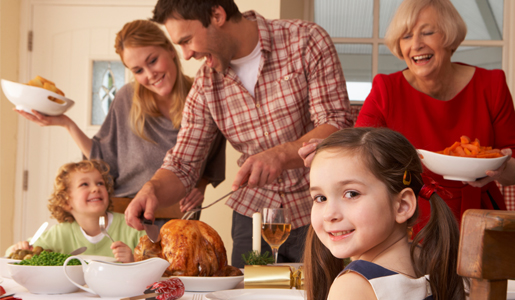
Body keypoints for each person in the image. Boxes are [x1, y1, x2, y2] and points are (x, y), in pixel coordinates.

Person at [125, 0, 352, 268]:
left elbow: (336, 124)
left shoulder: (305, 41)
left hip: (317, 207)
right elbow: (183, 164)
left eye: (187, 40)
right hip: (252, 215)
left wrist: (280, 155)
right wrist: (152, 190)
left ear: (217, 14)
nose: (185, 55)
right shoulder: (205, 84)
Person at [301, 0, 515, 232]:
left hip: (481, 219)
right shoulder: (386, 89)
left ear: (449, 38)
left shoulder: (491, 84)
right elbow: (359, 147)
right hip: (411, 217)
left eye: (427, 33)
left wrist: (500, 168)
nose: (416, 44)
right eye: (406, 36)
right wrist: (328, 148)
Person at [14, 20, 226, 223]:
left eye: (152, 60)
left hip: (179, 217)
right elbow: (103, 161)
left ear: (170, 49)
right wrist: (66, 123)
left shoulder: (202, 95)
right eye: (138, 70)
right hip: (125, 218)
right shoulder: (127, 99)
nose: (150, 74)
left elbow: (212, 156)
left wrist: (200, 186)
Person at [303, 127, 465, 300]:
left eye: (351, 194)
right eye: (320, 198)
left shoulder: (354, 286)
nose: (329, 214)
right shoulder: (429, 262)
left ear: (402, 205)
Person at [8, 160, 144, 263]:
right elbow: (14, 254)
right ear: (66, 202)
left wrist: (133, 260)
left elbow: (159, 263)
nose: (95, 189)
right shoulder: (60, 233)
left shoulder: (131, 226)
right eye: (84, 184)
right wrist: (17, 248)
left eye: (100, 183)